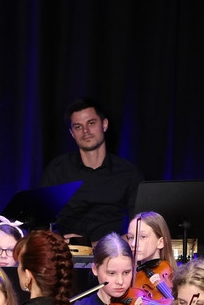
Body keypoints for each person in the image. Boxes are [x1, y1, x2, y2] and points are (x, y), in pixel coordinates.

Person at [39, 98, 142, 242]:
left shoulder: (128, 173)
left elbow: (140, 230)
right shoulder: (58, 169)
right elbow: (40, 223)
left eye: (91, 123)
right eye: (78, 127)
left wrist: (93, 246)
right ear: (72, 133)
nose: (85, 131)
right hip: (66, 254)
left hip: (112, 255)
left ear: (104, 124)